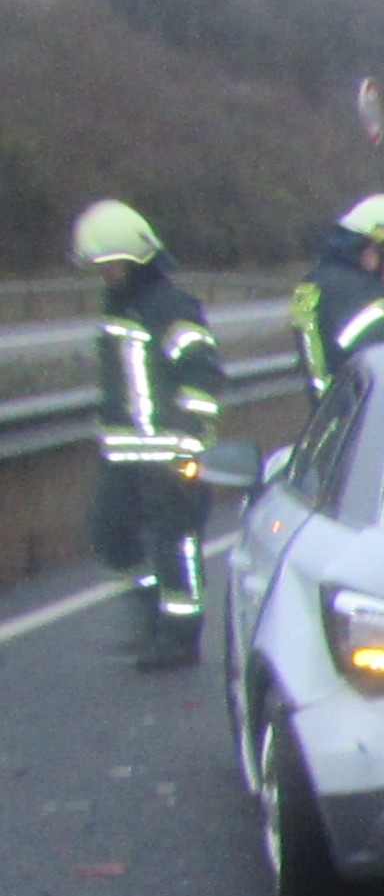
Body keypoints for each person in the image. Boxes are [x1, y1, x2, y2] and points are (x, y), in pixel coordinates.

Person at [73, 201, 224, 669]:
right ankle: (153, 609)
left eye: (110, 265)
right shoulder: (119, 308)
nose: (105, 275)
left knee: (175, 544)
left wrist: (188, 438)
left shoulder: (170, 307)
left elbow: (202, 375)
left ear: (135, 258)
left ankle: (178, 638)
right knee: (110, 535)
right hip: (123, 454)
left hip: (170, 454)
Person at [292, 193, 384, 396]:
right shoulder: (361, 302)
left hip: (336, 419)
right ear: (370, 247)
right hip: (372, 420)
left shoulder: (318, 284)